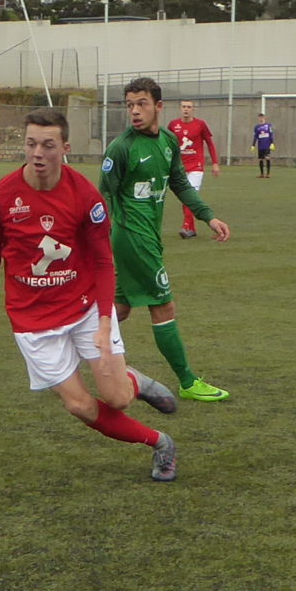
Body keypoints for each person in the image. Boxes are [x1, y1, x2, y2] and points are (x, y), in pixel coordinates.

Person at [0, 109, 178, 482]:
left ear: (64, 148)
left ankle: (133, 382)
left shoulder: (85, 196)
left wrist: (104, 321)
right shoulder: (0, 198)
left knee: (116, 397)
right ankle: (160, 443)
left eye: (48, 145)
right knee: (80, 405)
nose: (37, 153)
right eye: (31, 143)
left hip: (85, 309)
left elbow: (103, 261)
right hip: (32, 321)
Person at [100, 77, 232, 403]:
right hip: (133, 238)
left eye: (141, 103)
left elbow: (181, 184)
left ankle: (69, 357)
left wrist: (208, 216)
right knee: (163, 306)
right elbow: (101, 199)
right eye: (129, 105)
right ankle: (188, 381)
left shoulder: (169, 142)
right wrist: (98, 243)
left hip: (148, 237)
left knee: (122, 307)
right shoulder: (121, 148)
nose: (134, 111)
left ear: (158, 106)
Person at [167, 101, 220, 239]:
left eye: (189, 107)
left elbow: (210, 143)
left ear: (193, 110)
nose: (186, 109)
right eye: (184, 107)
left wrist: (215, 163)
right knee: (185, 197)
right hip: (179, 167)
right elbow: (167, 143)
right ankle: (191, 228)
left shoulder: (200, 124)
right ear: (180, 109)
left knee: (189, 196)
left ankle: (187, 227)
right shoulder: (173, 125)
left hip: (196, 167)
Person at [253, 113, 275, 178]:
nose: (261, 118)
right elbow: (255, 136)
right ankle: (261, 174)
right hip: (260, 145)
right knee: (260, 159)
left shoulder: (268, 126)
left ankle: (268, 174)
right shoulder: (257, 127)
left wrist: (272, 143)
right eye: (259, 117)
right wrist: (253, 145)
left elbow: (271, 135)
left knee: (267, 158)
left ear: (264, 117)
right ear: (258, 118)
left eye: (262, 117)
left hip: (267, 145)